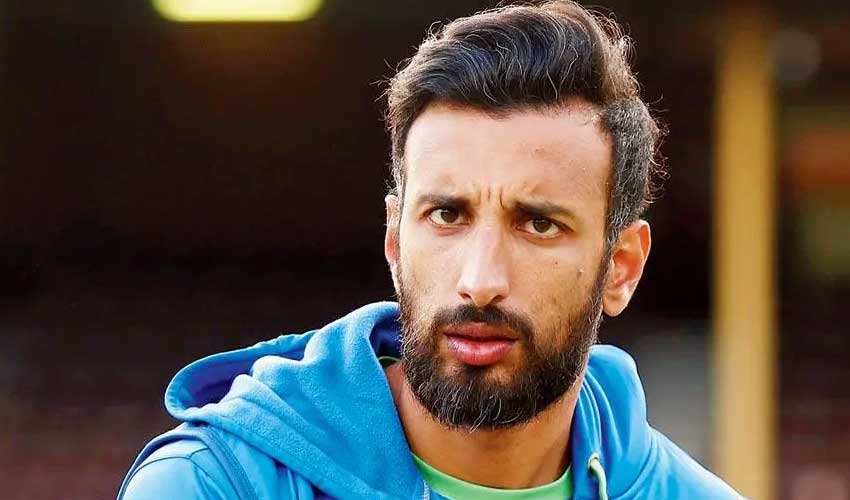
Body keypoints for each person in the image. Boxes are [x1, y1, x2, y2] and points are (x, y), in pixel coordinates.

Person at [119, 1, 747, 499]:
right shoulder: (209, 486)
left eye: (538, 224)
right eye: (447, 215)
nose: (480, 280)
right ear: (395, 239)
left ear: (621, 267)